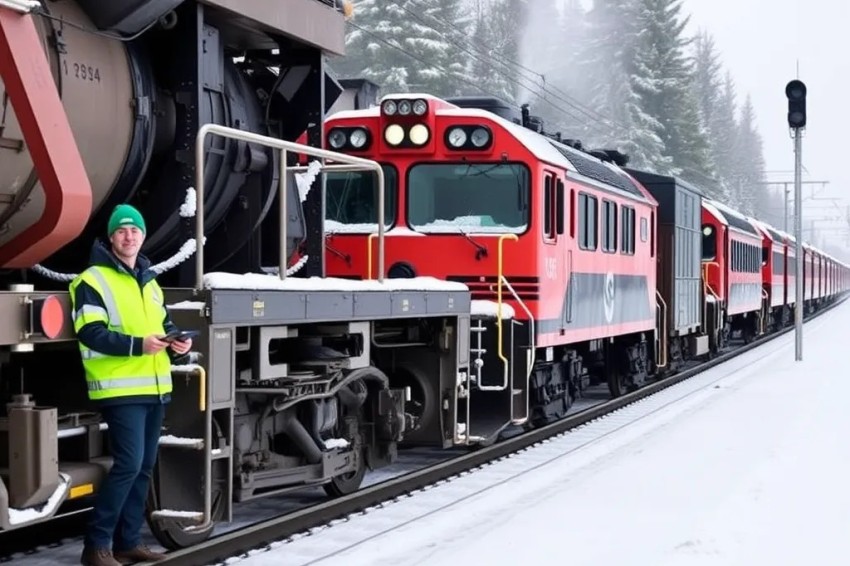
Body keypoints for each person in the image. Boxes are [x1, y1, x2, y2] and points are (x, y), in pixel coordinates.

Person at [69, 204, 193, 566]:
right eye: (122, 230)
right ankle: (96, 547)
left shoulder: (149, 282)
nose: (129, 236)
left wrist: (177, 346)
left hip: (155, 386)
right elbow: (90, 333)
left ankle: (126, 542)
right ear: (111, 237)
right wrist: (138, 345)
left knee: (144, 467)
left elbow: (163, 328)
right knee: (128, 464)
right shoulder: (92, 280)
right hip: (119, 388)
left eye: (135, 230)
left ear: (142, 236)